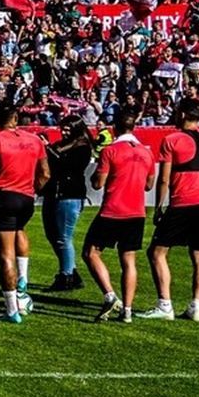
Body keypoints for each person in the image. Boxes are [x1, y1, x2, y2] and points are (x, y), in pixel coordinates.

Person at [146, 98, 199, 322]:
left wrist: (159, 207)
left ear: (181, 114)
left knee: (157, 252)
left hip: (182, 202)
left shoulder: (172, 140)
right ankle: (196, 306)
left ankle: (165, 305)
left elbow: (164, 179)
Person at [0, 99, 48, 323]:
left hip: (4, 196)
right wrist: (34, 189)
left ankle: (12, 310)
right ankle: (23, 278)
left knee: (6, 256)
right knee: (20, 230)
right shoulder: (34, 140)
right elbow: (45, 173)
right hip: (26, 198)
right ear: (15, 119)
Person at [85, 108, 151, 324]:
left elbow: (98, 183)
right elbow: (149, 184)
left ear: (114, 128)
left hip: (113, 209)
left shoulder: (111, 151)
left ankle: (110, 295)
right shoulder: (146, 152)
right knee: (128, 260)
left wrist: (96, 175)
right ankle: (128, 311)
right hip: (136, 211)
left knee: (91, 252)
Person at [41, 116, 93, 291]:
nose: (64, 132)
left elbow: (67, 165)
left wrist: (48, 148)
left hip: (70, 195)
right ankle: (71, 271)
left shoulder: (83, 147)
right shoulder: (61, 145)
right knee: (52, 235)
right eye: (62, 128)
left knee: (64, 237)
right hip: (53, 193)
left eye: (68, 129)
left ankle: (66, 276)